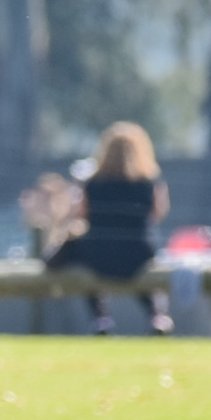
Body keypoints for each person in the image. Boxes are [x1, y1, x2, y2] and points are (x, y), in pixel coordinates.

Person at [45, 121, 173, 334]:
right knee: (143, 273)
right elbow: (158, 212)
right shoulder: (148, 183)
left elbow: (80, 214)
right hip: (137, 252)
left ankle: (100, 318)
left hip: (98, 254)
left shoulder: (92, 182)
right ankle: (157, 316)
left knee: (78, 249)